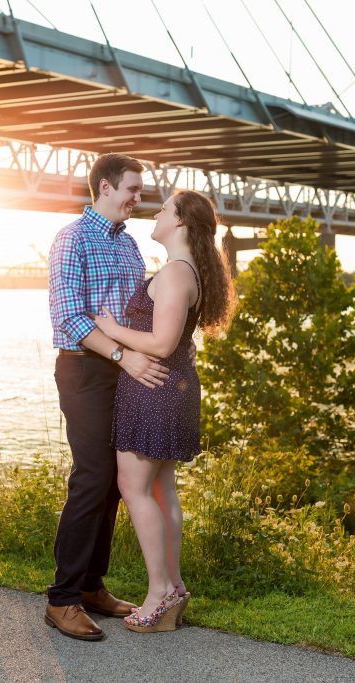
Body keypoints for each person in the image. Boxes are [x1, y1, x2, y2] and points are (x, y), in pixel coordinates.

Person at [92, 189, 235, 633]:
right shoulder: (185, 271)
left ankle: (159, 594)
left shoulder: (175, 273)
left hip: (155, 390)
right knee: (160, 490)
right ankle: (173, 587)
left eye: (164, 209)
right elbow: (176, 339)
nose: (156, 214)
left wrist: (112, 330)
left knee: (134, 487)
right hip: (168, 387)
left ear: (181, 223)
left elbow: (161, 343)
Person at [45, 153, 171, 641]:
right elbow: (70, 318)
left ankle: (93, 586)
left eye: (140, 192)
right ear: (104, 187)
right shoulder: (71, 240)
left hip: (123, 367)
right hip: (86, 370)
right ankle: (62, 598)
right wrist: (124, 358)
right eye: (132, 190)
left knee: (119, 481)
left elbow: (137, 312)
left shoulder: (129, 246)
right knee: (92, 476)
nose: (139, 199)